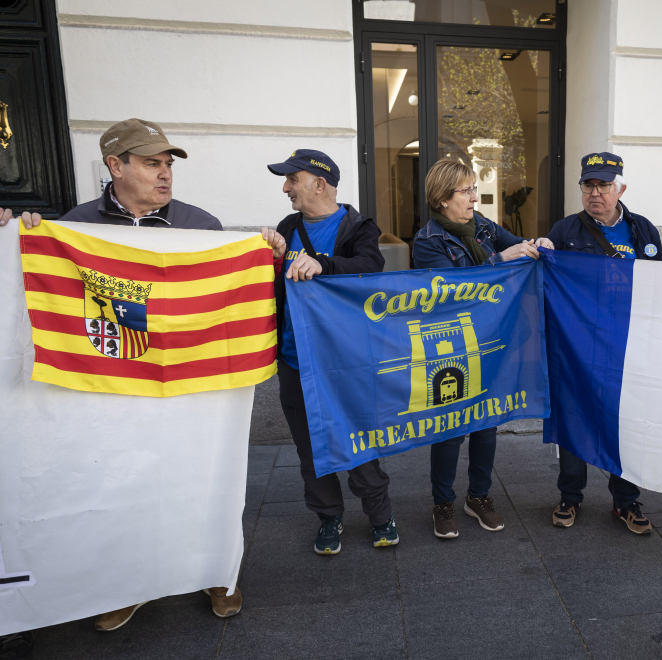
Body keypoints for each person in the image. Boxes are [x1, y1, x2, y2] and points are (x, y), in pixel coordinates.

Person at [0, 118, 264, 632]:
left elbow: (233, 291)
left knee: (204, 475)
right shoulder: (73, 227)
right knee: (123, 481)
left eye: (168, 164)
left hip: (193, 383)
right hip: (113, 385)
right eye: (152, 164)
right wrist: (16, 238)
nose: (165, 175)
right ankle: (127, 584)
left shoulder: (200, 224)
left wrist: (268, 251)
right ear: (115, 166)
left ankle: (216, 572)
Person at [264, 149, 398, 555]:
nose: (286, 188)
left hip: (343, 361)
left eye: (292, 180)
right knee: (309, 445)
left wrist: (323, 263)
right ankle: (328, 517)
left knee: (357, 437)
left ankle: (380, 515)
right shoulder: (288, 226)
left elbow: (369, 267)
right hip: (294, 359)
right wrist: (268, 258)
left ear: (319, 184)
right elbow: (273, 285)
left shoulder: (358, 226)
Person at [412, 159, 551, 538]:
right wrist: (498, 260)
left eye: (474, 189)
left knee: (486, 422)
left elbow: (516, 246)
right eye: (466, 191)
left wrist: (537, 244)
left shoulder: (484, 227)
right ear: (442, 199)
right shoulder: (427, 242)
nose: (475, 197)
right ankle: (442, 502)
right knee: (450, 427)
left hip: (491, 340)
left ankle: (479, 496)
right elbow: (448, 292)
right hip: (450, 344)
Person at [544, 152, 662, 535]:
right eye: (588, 185)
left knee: (623, 424)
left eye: (603, 185)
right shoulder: (565, 232)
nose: (595, 193)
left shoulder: (642, 230)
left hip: (625, 347)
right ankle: (569, 497)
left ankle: (626, 501)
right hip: (576, 345)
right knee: (574, 418)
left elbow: (659, 284)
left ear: (620, 188)